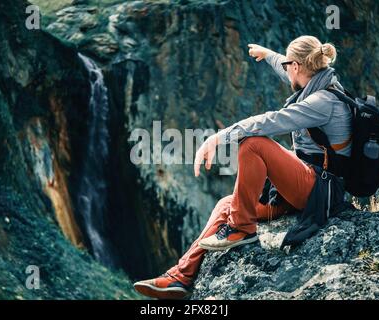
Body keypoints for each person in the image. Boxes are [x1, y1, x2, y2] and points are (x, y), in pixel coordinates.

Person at [134, 35, 352, 299]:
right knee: (228, 203)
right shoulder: (316, 81)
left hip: (321, 191)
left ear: (296, 66)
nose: (284, 70)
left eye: (286, 65)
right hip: (302, 188)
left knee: (254, 143)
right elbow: (291, 72)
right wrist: (269, 54)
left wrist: (219, 136)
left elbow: (273, 120)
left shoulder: (322, 102)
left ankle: (242, 228)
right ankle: (181, 276)